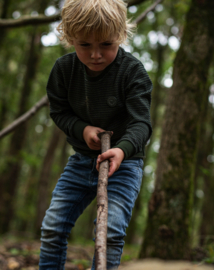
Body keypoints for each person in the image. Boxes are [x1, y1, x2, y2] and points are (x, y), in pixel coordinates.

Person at [39, 0, 152, 269]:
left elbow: (142, 124)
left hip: (124, 164)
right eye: (85, 45)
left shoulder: (133, 73)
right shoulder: (64, 70)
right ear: (69, 38)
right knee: (53, 227)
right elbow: (59, 111)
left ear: (121, 36)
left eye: (106, 44)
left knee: (110, 233)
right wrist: (83, 129)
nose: (96, 55)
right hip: (81, 161)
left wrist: (122, 149)